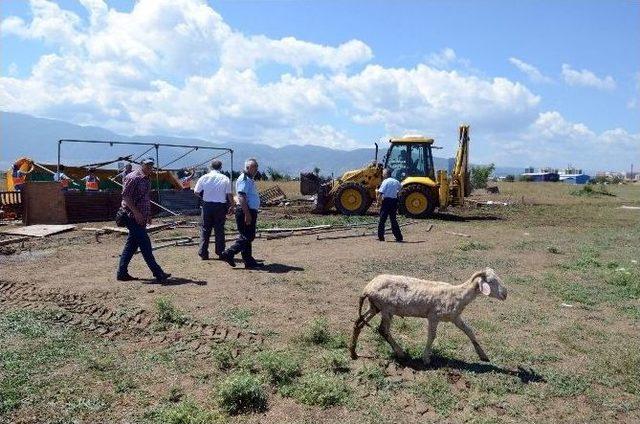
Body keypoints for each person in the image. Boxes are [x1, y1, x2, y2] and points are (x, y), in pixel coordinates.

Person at [117, 158, 171, 282]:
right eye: (147, 165)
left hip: (140, 216)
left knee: (131, 246)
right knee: (145, 244)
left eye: (151, 165)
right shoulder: (133, 177)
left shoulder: (147, 178)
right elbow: (126, 197)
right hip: (131, 216)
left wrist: (148, 215)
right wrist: (137, 214)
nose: (150, 167)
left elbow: (145, 198)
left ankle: (121, 273)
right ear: (141, 165)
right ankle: (158, 273)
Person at [220, 158, 262, 269]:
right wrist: (247, 214)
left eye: (257, 167)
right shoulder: (244, 179)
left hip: (247, 210)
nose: (256, 169)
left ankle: (248, 261)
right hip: (245, 210)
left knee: (246, 236)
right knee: (248, 236)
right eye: (254, 167)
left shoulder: (248, 179)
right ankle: (229, 253)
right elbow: (242, 196)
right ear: (248, 168)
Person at [194, 159, 234, 260]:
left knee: (205, 229)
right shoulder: (225, 178)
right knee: (219, 230)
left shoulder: (204, 177)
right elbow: (229, 194)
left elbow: (196, 192)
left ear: (211, 167)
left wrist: (204, 197)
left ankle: (203, 252)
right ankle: (220, 252)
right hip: (220, 206)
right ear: (220, 167)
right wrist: (232, 206)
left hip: (207, 206)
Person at [376, 168, 403, 242]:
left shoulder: (385, 182)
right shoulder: (396, 181)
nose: (382, 175)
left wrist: (378, 203)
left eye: (383, 174)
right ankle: (399, 237)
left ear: (386, 174)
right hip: (394, 201)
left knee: (382, 220)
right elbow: (400, 190)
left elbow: (380, 193)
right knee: (393, 220)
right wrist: (397, 196)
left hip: (386, 202)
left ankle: (381, 237)